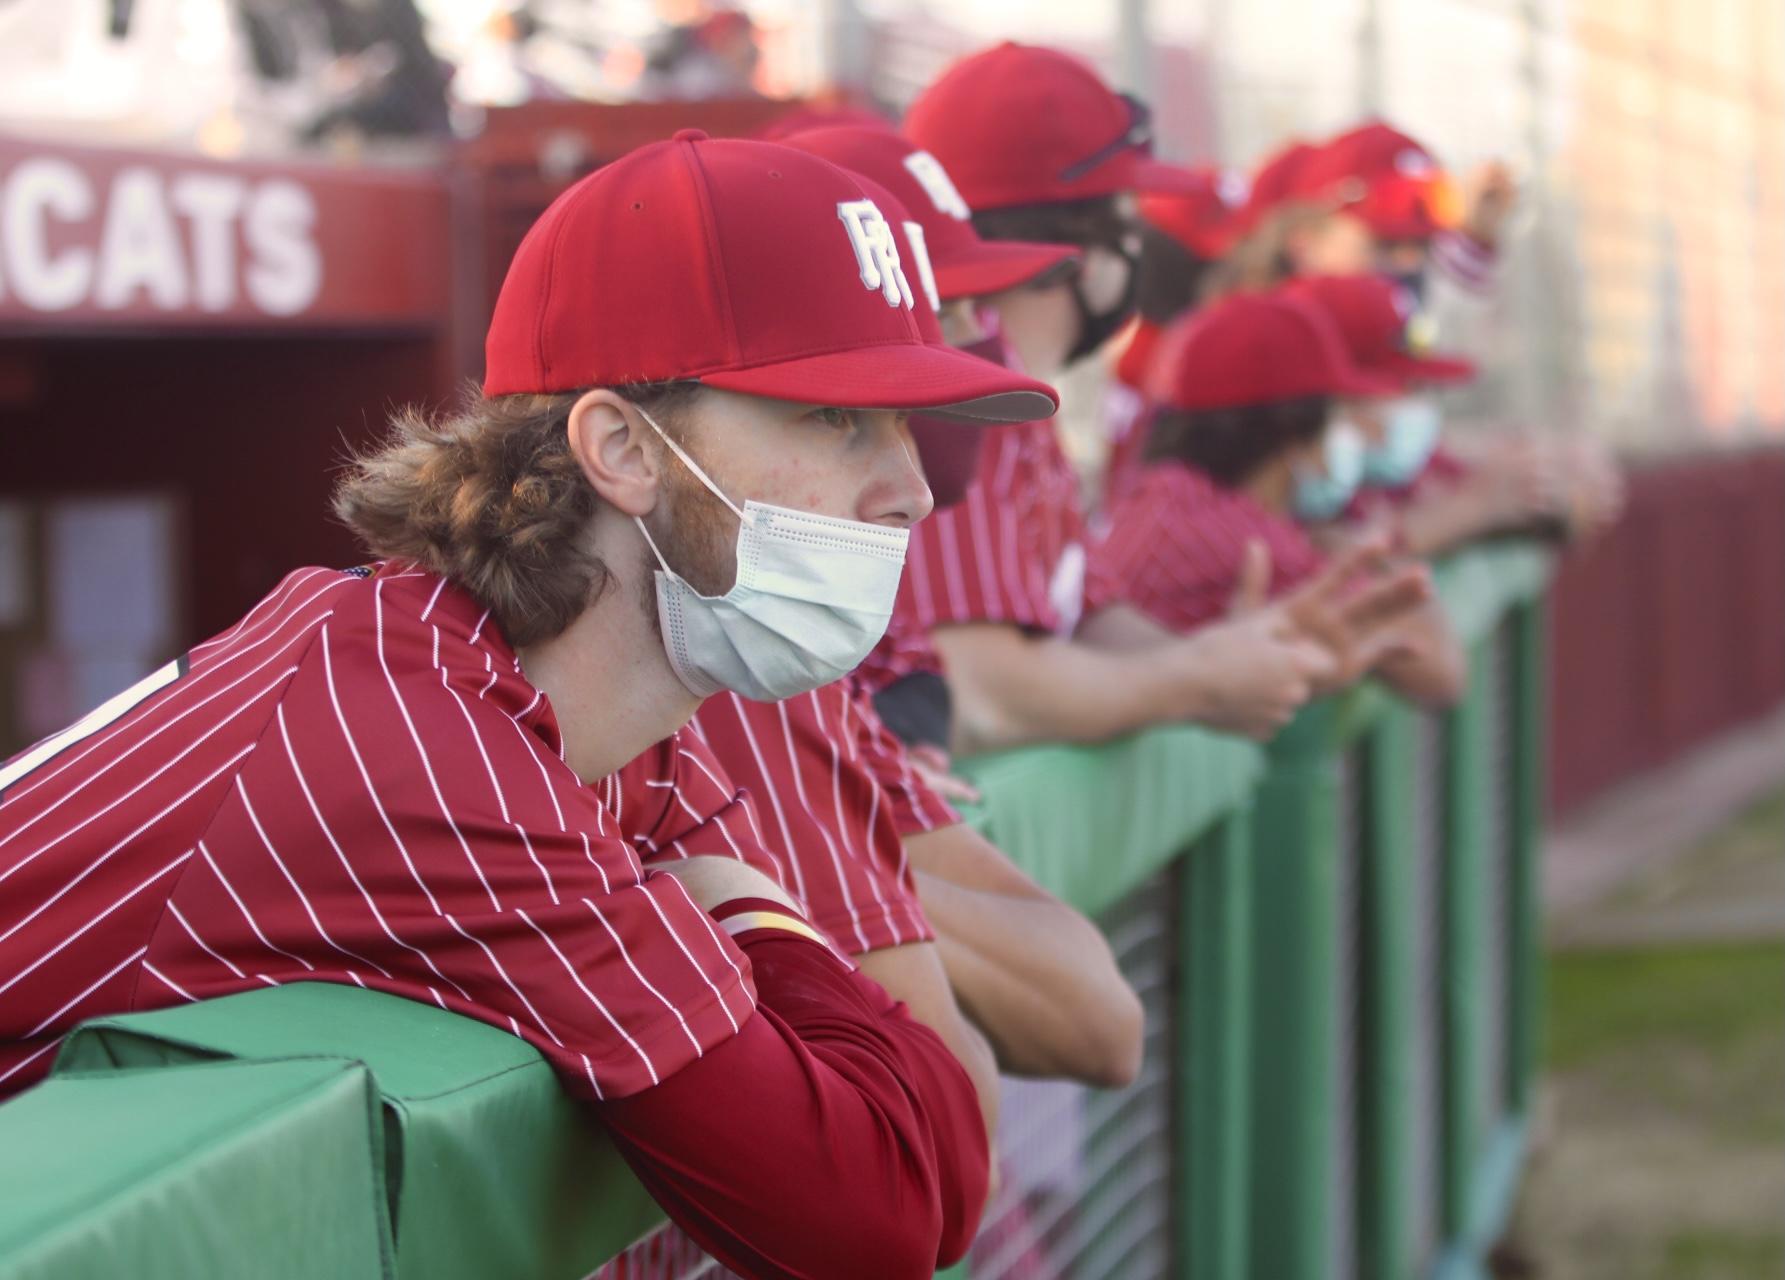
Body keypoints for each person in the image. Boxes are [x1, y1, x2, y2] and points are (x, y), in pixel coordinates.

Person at [0, 131, 1062, 1278]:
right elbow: (881, 1217)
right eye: (832, 416)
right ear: (620, 447)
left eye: (904, 423)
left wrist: (739, 895)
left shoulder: (603, 728)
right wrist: (746, 904)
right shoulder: (425, 748)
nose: (909, 487)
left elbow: (944, 1165)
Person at [868, 42, 1431, 755]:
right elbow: (981, 687)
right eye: (1127, 222)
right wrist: (1194, 686)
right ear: (1079, 244)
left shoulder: (1026, 403)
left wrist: (1239, 657)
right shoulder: (959, 392)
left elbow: (1093, 617)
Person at [1092, 289, 1468, 707]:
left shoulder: (1175, 492)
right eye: (1337, 417)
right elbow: (1439, 672)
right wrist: (1384, 552)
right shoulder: (1244, 540)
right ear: (1293, 434)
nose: (1348, 438)